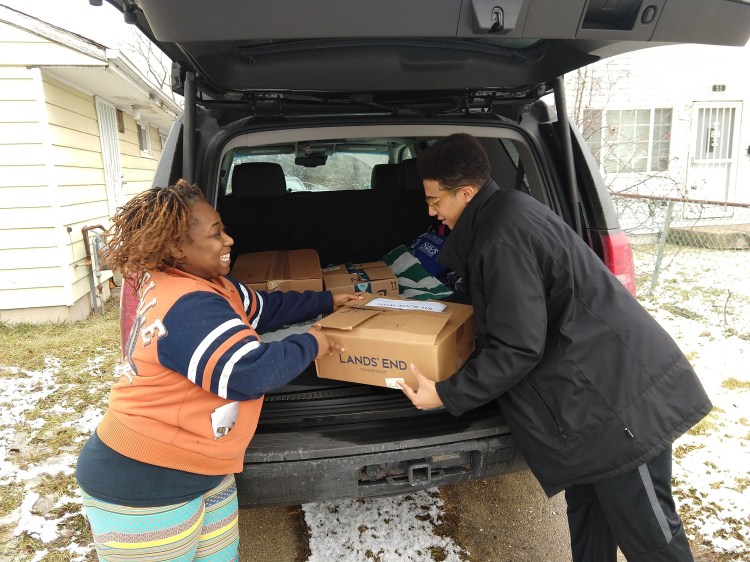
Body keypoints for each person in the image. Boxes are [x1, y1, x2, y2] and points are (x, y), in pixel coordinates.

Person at [397, 133, 711, 562]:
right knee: (589, 516)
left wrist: (446, 393)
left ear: (465, 193)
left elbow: (517, 347)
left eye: (435, 201)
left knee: (651, 537)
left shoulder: (500, 238)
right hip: (587, 408)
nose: (432, 212)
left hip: (618, 408)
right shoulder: (506, 211)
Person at [76, 180, 359, 561]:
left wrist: (327, 301)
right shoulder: (188, 305)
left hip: (201, 464)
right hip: (143, 478)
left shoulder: (208, 284)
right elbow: (249, 374)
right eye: (216, 234)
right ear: (177, 247)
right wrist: (313, 343)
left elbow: (263, 308)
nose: (229, 239)